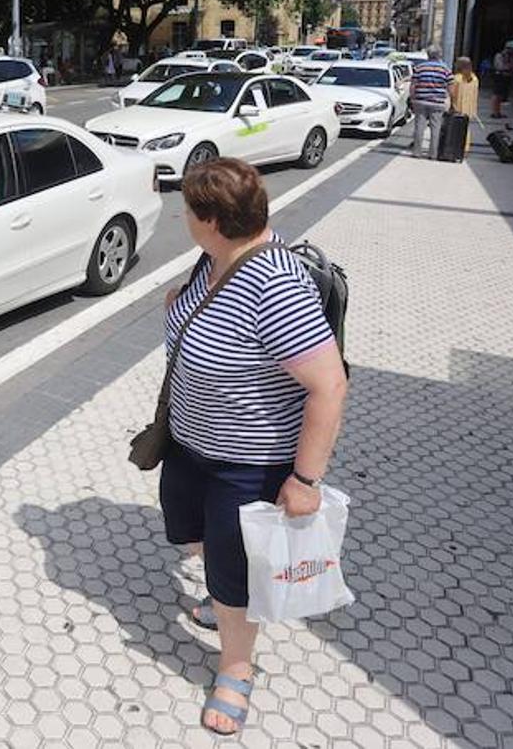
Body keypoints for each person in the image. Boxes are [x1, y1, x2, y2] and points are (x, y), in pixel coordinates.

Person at [159, 158, 347, 736]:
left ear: (212, 219)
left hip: (245, 463)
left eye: (189, 212)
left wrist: (305, 481)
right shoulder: (217, 256)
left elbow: (329, 385)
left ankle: (236, 667)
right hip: (190, 445)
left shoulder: (276, 286)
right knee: (194, 536)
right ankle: (223, 605)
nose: (183, 219)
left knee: (232, 573)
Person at [408, 46, 452, 158]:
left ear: (428, 55)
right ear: (440, 55)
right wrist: (447, 97)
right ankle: (433, 154)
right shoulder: (445, 69)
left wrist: (412, 97)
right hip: (437, 102)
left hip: (421, 100)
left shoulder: (420, 67)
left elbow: (413, 84)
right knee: (435, 128)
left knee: (419, 127)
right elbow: (450, 86)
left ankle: (416, 152)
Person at [451, 56, 480, 157]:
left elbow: (452, 93)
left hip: (458, 106)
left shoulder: (457, 78)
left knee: (456, 129)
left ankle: (456, 148)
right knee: (466, 129)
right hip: (470, 107)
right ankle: (465, 149)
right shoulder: (474, 78)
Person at [490, 40, 513, 117]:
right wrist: (509, 67)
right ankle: (494, 112)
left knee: (501, 95)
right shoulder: (499, 56)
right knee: (496, 94)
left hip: (507, 77)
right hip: (500, 76)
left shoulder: (512, 57)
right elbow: (499, 66)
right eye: (512, 49)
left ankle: (498, 111)